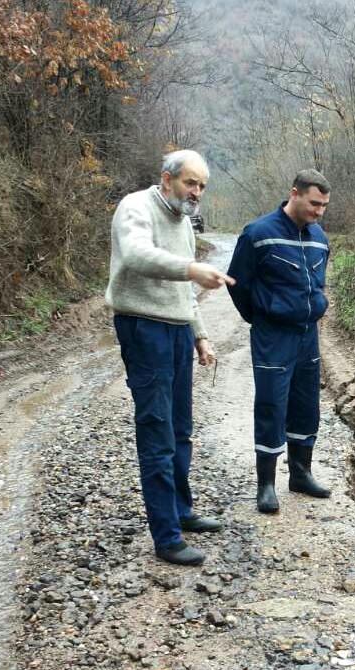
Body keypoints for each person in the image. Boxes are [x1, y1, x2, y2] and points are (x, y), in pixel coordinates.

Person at [105, 150, 234, 565]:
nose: (196, 192)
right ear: (167, 179)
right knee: (157, 432)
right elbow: (137, 256)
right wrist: (192, 269)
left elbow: (183, 290)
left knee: (180, 430)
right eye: (190, 183)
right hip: (144, 329)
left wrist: (201, 335)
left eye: (201, 186)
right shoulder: (135, 207)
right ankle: (167, 537)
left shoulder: (183, 221)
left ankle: (181, 511)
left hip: (178, 333)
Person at [227, 170, 333, 513]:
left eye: (324, 206)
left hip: (308, 335)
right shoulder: (258, 234)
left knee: (306, 405)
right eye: (314, 204)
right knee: (272, 405)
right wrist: (262, 317)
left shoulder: (319, 237)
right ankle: (267, 485)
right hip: (273, 335)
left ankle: (300, 474)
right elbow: (237, 284)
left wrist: (317, 306)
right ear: (295, 194)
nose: (319, 212)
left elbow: (318, 284)